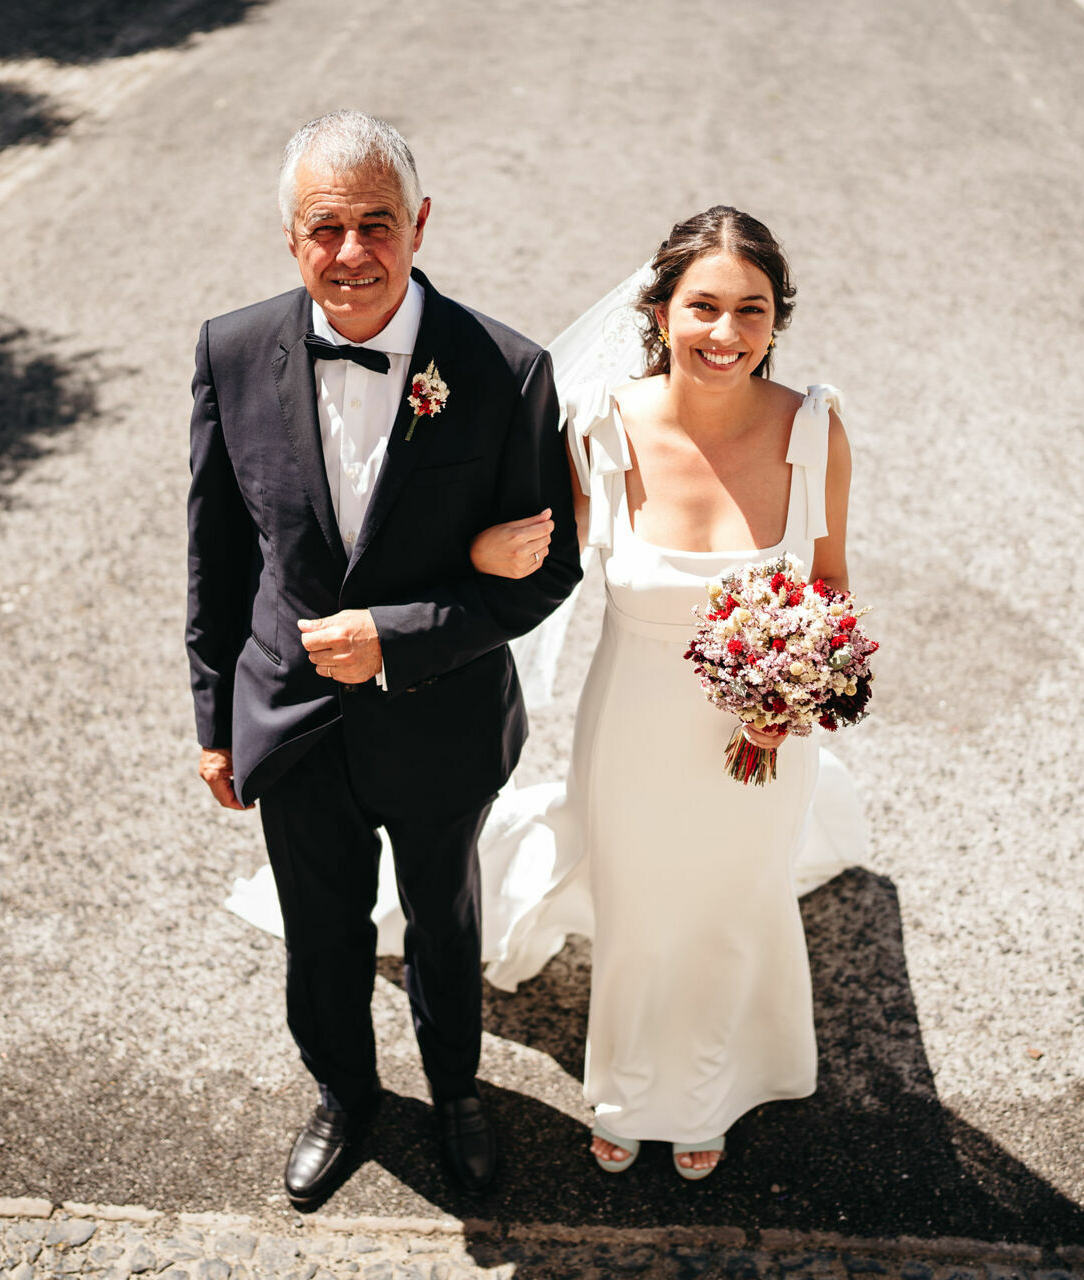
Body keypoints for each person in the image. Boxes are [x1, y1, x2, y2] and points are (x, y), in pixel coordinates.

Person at [185, 110, 581, 1209]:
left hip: (440, 717)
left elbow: (549, 573)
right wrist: (214, 715)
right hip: (291, 718)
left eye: (377, 223)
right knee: (319, 933)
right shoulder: (231, 349)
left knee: (446, 922)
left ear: (421, 223)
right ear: (289, 235)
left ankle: (457, 1089)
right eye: (325, 228)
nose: (351, 253)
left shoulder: (504, 370)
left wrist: (398, 637)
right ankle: (345, 1094)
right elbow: (216, 551)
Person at [467, 206, 856, 1179]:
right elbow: (534, 561)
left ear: (776, 320)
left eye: (751, 311)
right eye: (705, 307)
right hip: (633, 724)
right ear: (661, 309)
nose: (726, 334)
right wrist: (476, 553)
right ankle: (626, 1088)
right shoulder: (603, 428)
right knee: (640, 907)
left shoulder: (813, 430)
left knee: (728, 902)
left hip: (763, 729)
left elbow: (833, 581)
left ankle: (710, 1091)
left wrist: (804, 685)